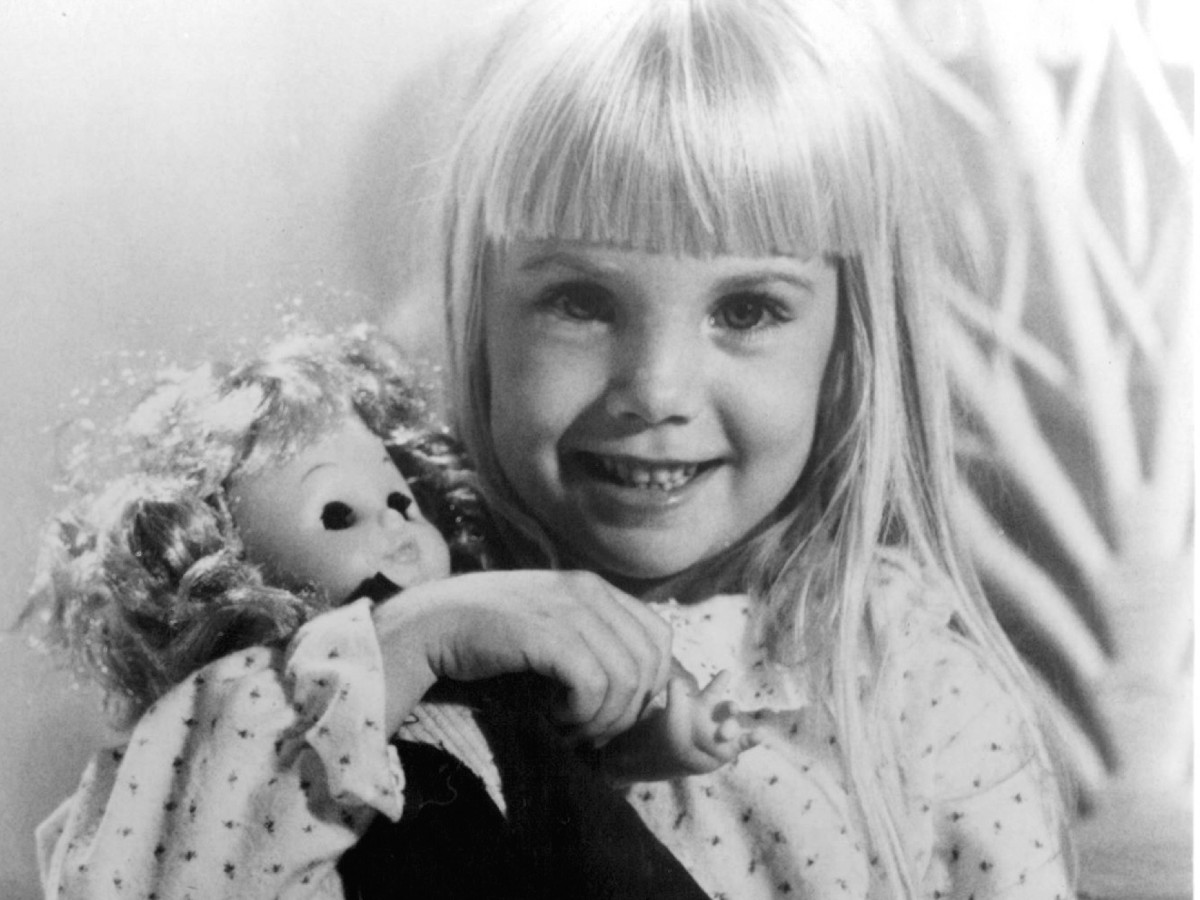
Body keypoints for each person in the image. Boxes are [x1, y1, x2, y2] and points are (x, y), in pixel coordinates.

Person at [429, 0, 1077, 897]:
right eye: (580, 300)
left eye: (745, 311)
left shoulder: (915, 700)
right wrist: (391, 653)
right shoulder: (390, 613)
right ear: (479, 312)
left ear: (848, 346)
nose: (656, 390)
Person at [28, 327, 743, 899]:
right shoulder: (240, 714)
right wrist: (416, 634)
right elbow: (192, 861)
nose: (397, 526)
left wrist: (652, 743)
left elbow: (564, 799)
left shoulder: (473, 684)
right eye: (338, 513)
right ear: (222, 573)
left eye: (403, 501)